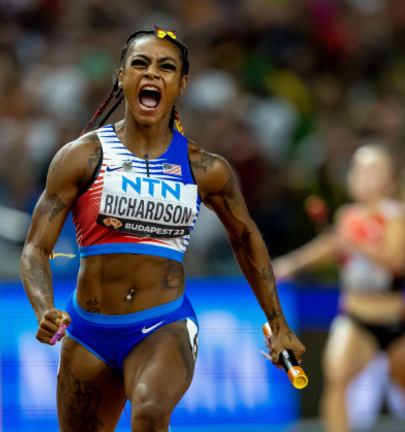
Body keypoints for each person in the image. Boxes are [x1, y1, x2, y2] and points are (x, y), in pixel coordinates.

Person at [20, 27, 305, 431]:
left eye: (166, 67)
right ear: (121, 76)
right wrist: (43, 307)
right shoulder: (82, 155)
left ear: (181, 84)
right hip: (88, 332)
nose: (152, 73)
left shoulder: (205, 168)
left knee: (150, 410)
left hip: (163, 325)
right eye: (140, 63)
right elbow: (35, 248)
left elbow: (246, 238)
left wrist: (278, 323)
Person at [273, 144, 405, 432]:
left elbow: (396, 260)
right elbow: (328, 247)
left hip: (394, 320)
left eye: (372, 170)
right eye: (358, 169)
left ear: (390, 180)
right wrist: (290, 264)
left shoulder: (396, 215)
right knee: (337, 378)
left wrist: (353, 243)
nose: (362, 176)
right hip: (356, 316)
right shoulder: (348, 216)